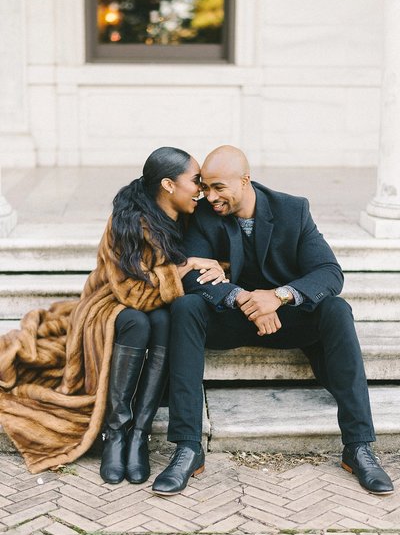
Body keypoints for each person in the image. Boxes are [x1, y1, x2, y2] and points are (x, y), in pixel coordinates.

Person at [152, 144, 394, 497]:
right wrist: (244, 299)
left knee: (337, 309)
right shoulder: (205, 215)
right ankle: (188, 447)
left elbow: (329, 273)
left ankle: (358, 447)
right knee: (186, 308)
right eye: (205, 186)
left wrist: (277, 297)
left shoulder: (292, 210)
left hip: (287, 321)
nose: (210, 196)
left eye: (220, 187)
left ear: (246, 181)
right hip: (231, 318)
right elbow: (190, 276)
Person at [0, 146, 226, 481]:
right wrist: (186, 266)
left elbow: (220, 256)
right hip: (109, 301)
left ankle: (139, 433)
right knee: (136, 321)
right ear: (168, 185)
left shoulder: (193, 216)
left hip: (156, 306)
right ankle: (116, 432)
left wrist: (219, 267)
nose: (202, 190)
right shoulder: (128, 220)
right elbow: (132, 294)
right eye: (195, 182)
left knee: (164, 319)